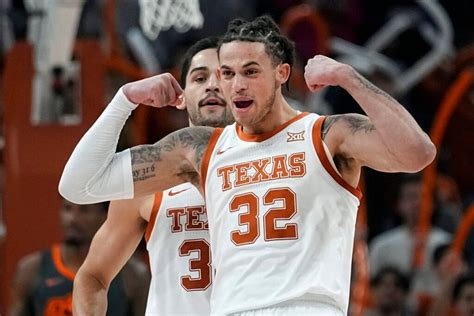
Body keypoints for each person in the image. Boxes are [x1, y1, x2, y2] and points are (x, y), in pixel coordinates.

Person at [59, 15, 436, 315]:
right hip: (230, 309)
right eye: (228, 73)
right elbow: (79, 186)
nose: (235, 85)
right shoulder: (201, 149)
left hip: (306, 306)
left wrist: (348, 79)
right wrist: (124, 100)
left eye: (251, 71)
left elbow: (416, 153)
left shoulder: (326, 135)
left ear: (281, 74)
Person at [72, 36, 233, 315]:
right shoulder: (148, 180)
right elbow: (92, 276)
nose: (212, 85)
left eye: (223, 75)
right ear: (182, 96)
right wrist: (124, 99)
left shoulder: (276, 163)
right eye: (199, 77)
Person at [9, 198, 149, 316]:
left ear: (105, 216)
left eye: (84, 210)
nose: (73, 219)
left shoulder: (134, 275)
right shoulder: (31, 268)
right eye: (67, 208)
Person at [369, 175, 452, 277]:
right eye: (410, 197)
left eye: (423, 197)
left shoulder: (446, 243)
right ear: (398, 204)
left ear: (434, 203)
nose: (417, 203)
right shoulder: (381, 245)